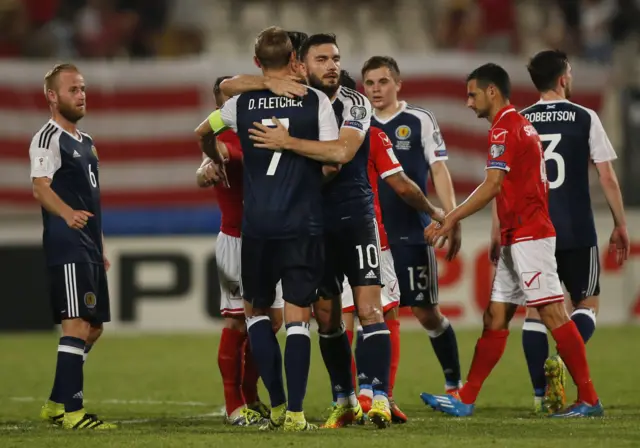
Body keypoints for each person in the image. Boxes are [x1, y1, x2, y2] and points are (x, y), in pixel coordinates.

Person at [420, 63, 603, 418]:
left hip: (530, 237)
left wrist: (450, 217)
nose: (468, 102)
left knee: (553, 313)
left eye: (472, 94)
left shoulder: (505, 128)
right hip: (515, 236)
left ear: (492, 92)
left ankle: (590, 398)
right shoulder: (519, 125)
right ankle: (466, 398)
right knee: (495, 316)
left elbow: (492, 185)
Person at [246, 33, 405, 429]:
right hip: (314, 223)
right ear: (300, 65)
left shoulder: (354, 102)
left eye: (335, 58)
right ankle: (346, 400)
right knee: (327, 318)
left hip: (354, 218)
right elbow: (226, 88)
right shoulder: (294, 98)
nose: (332, 65)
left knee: (370, 309)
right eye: (322, 59)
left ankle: (380, 397)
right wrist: (265, 82)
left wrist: (287, 142)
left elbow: (341, 153)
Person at [195, 26, 339, 432]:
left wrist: (212, 155)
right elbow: (334, 159)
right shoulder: (315, 102)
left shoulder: (241, 105)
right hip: (300, 222)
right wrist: (298, 153)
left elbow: (205, 128)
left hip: (256, 226)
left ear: (258, 61)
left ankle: (272, 405)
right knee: (296, 319)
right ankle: (293, 412)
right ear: (295, 59)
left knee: (258, 317)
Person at [519, 50, 629, 413]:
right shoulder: (585, 117)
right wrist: (620, 224)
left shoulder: (519, 121)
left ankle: (539, 397)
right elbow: (607, 176)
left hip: (534, 230)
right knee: (587, 305)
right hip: (577, 227)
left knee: (537, 311)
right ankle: (562, 362)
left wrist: (498, 232)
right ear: (564, 78)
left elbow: (506, 183)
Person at [338, 70, 444, 424]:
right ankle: (381, 395)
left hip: (328, 239)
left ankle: (353, 398)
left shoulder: (311, 135)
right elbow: (400, 184)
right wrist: (432, 210)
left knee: (343, 320)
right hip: (372, 237)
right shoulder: (371, 133)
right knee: (384, 314)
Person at [360, 56, 463, 395]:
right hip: (370, 234)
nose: (376, 89)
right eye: (370, 83)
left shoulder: (418, 119)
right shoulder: (356, 123)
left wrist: (451, 215)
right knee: (371, 314)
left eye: (383, 82)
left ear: (398, 84)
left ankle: (452, 382)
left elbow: (438, 169)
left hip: (412, 231)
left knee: (425, 312)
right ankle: (373, 393)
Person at [196, 76, 284, 426]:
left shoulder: (262, 126)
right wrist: (205, 168)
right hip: (236, 239)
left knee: (272, 321)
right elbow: (214, 156)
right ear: (220, 102)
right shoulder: (221, 135)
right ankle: (234, 404)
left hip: (269, 237)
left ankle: (250, 393)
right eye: (226, 95)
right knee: (237, 321)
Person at [32, 63, 115, 430]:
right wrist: (66, 215)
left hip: (88, 247)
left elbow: (92, 201)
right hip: (67, 245)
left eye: (83, 88)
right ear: (52, 96)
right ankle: (74, 414)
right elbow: (40, 186)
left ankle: (55, 403)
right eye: (73, 90)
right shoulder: (48, 137)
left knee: (93, 327)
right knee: (76, 324)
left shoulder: (87, 141)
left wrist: (100, 247)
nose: (81, 95)